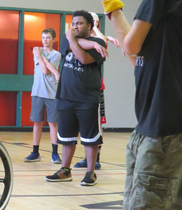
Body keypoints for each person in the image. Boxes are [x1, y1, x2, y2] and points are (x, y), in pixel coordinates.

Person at [102, 0, 182, 208]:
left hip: (161, 134)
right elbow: (138, 60)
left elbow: (130, 47)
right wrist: (114, 9)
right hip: (161, 129)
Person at [45, 10, 107, 186]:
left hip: (87, 97)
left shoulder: (99, 42)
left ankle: (90, 172)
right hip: (65, 96)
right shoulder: (68, 38)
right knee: (66, 137)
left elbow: (82, 58)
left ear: (90, 25)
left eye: (79, 23)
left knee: (90, 138)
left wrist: (76, 40)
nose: (75, 26)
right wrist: (73, 39)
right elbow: (73, 42)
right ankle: (65, 170)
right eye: (73, 23)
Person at [74, 12, 120, 170]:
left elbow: (101, 40)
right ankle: (87, 158)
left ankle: (96, 159)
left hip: (96, 89)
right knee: (83, 126)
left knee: (97, 125)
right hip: (79, 89)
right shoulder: (83, 38)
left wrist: (101, 31)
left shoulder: (98, 38)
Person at [23, 28, 62, 164]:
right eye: (43, 37)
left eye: (48, 37)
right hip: (38, 92)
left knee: (52, 123)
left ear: (53, 39)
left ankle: (55, 153)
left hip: (52, 93)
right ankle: (35, 152)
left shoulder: (56, 54)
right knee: (37, 123)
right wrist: (39, 55)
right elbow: (46, 70)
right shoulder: (37, 51)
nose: (45, 40)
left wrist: (40, 55)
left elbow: (45, 70)